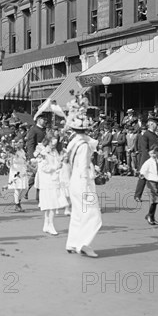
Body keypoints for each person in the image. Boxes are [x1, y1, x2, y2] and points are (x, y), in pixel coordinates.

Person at [64, 108, 101, 258]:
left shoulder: (73, 142)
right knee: (93, 214)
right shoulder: (84, 146)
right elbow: (83, 166)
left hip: (74, 181)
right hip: (83, 182)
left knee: (78, 214)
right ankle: (83, 244)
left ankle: (72, 242)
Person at [38, 136, 68, 235]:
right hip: (47, 182)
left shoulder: (54, 151)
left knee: (52, 205)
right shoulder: (43, 153)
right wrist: (55, 167)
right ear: (47, 143)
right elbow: (43, 167)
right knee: (50, 205)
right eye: (52, 144)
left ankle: (47, 225)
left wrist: (62, 158)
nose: (53, 146)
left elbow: (58, 161)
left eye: (55, 144)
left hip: (55, 180)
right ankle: (50, 225)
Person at [139, 146, 158, 225]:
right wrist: (142, 175)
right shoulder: (148, 162)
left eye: (156, 153)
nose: (154, 155)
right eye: (152, 153)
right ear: (149, 153)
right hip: (151, 182)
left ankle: (150, 215)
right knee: (154, 200)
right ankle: (150, 216)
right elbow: (143, 170)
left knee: (157, 200)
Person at [134, 119, 158, 202]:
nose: (157, 126)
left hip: (154, 158)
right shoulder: (146, 135)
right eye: (155, 124)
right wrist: (150, 158)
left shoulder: (154, 135)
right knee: (143, 178)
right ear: (151, 124)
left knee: (155, 177)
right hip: (147, 159)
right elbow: (144, 149)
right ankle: (137, 195)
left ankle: (156, 196)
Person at [24, 115, 47, 200]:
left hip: (43, 154)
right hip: (37, 155)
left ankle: (26, 191)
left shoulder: (43, 129)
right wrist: (32, 156)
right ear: (38, 119)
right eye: (43, 119)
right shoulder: (33, 130)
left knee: (36, 175)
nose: (45, 121)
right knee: (37, 175)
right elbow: (30, 143)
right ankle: (35, 195)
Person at [7, 139, 28, 212]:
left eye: (22, 142)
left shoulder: (23, 151)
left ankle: (18, 200)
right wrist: (11, 157)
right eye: (19, 142)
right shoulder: (13, 152)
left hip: (23, 170)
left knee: (25, 188)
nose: (21, 144)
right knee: (17, 188)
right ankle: (17, 204)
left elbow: (24, 160)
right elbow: (10, 162)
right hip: (16, 170)